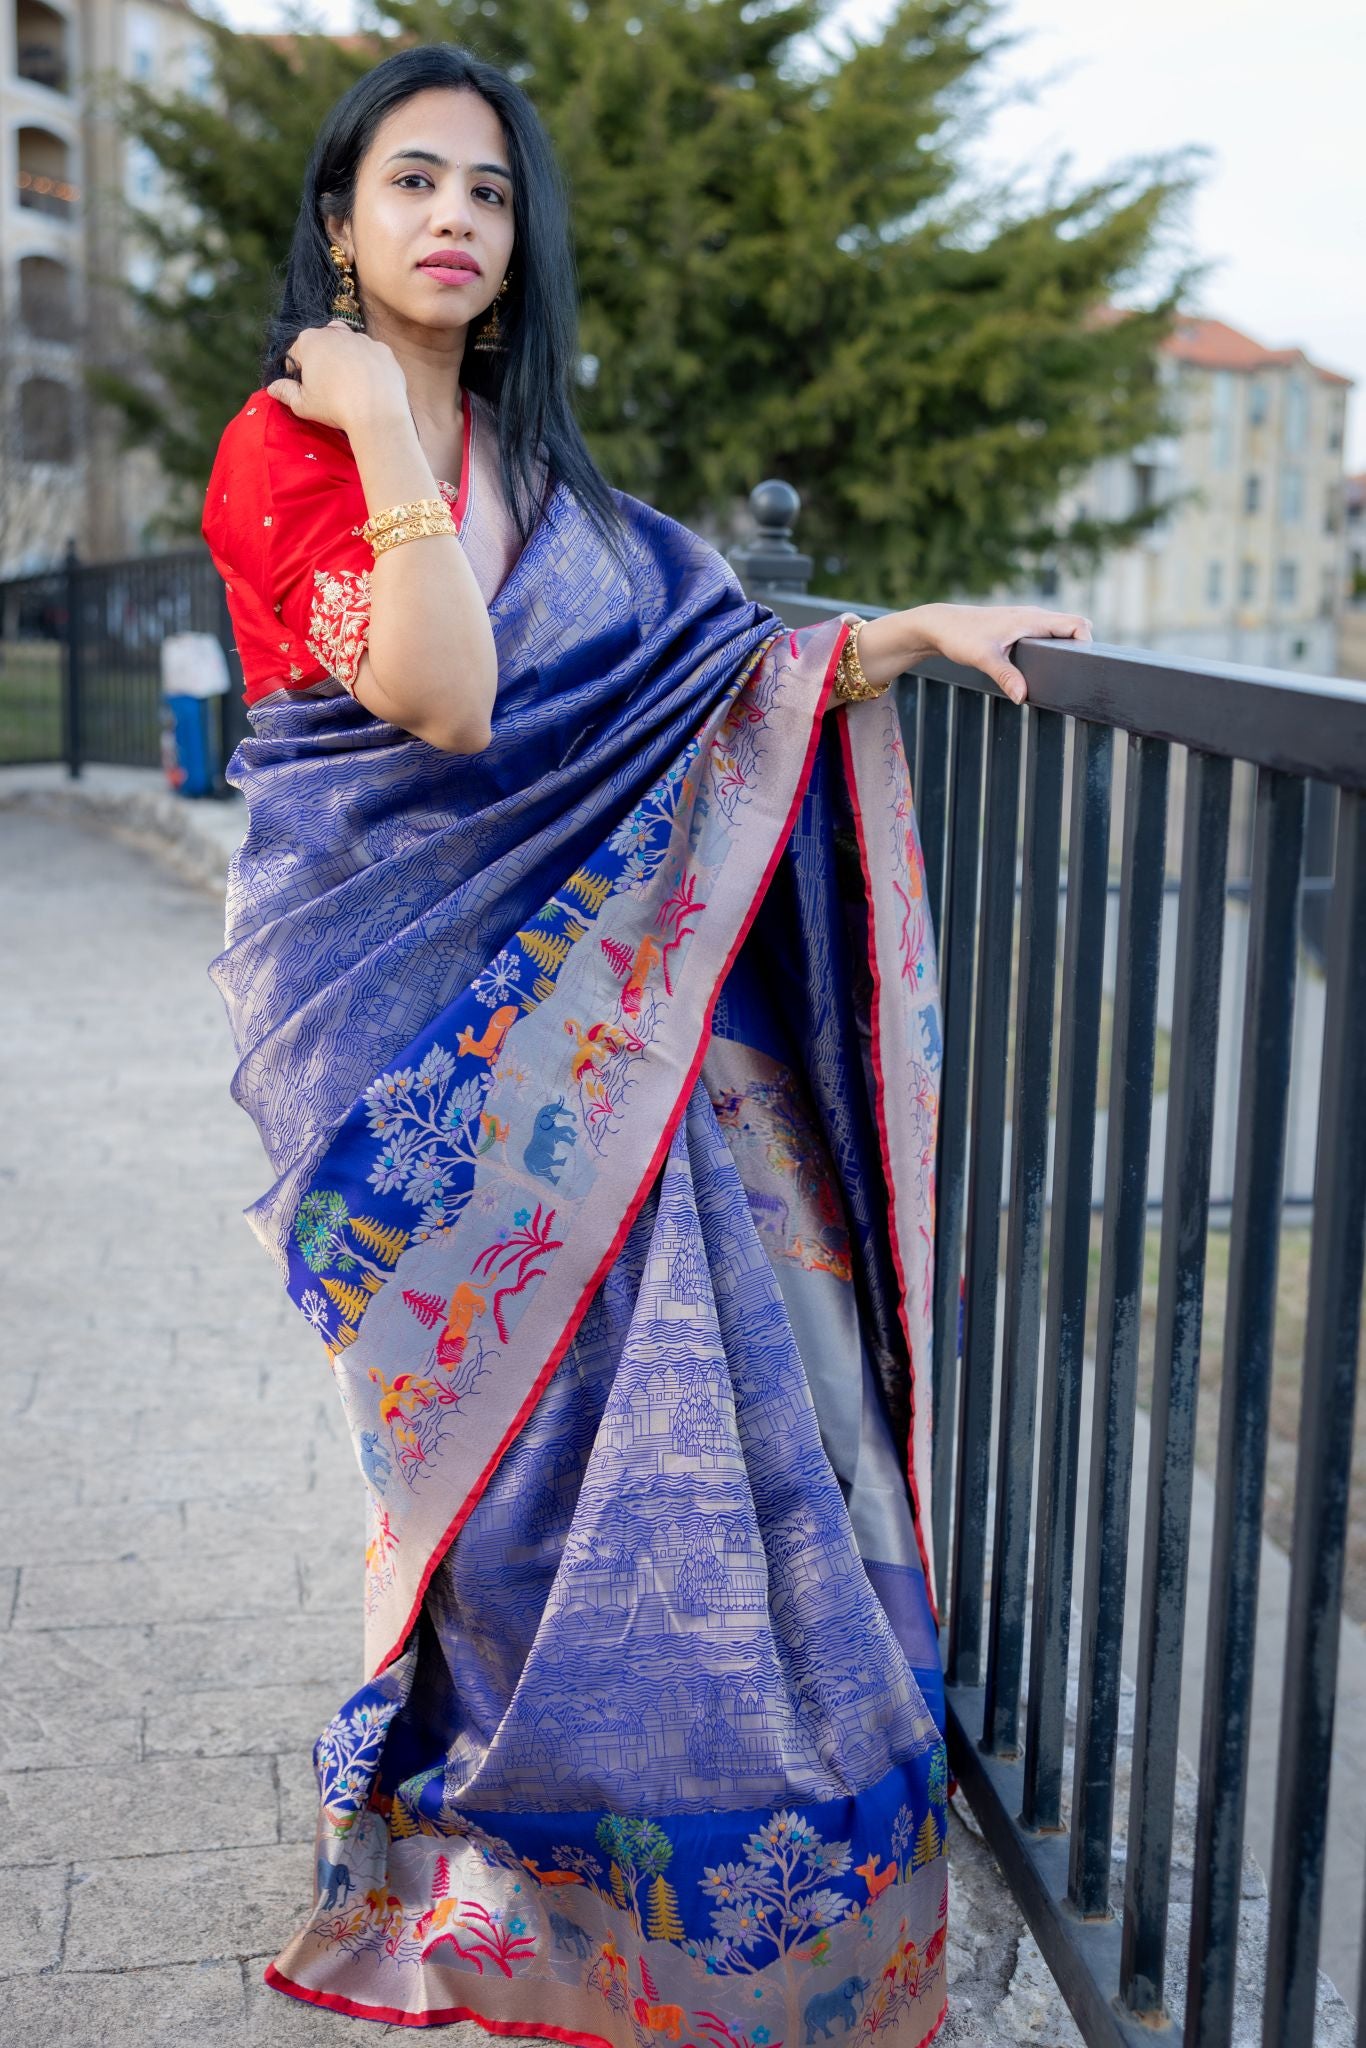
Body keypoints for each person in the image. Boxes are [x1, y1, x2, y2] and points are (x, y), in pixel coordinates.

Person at [202, 41, 1091, 2042]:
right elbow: (437, 699)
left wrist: (925, 630)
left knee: (752, 1421)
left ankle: (742, 1875)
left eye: (490, 195)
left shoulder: (568, 487)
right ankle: (511, 1875)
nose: (453, 218)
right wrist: (382, 425)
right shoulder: (285, 445)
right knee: (509, 1479)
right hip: (417, 1044)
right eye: (411, 183)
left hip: (645, 1044)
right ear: (338, 228)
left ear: (521, 248)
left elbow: (724, 678)